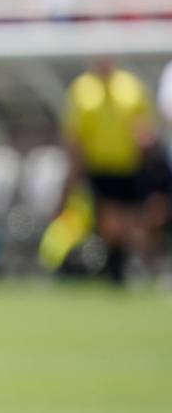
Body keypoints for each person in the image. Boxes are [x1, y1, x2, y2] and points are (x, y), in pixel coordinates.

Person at [61, 58, 156, 284]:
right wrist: (75, 167)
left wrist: (145, 146)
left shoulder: (130, 86)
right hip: (100, 165)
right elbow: (75, 133)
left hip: (129, 165)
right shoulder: (82, 88)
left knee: (130, 218)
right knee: (108, 219)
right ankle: (116, 264)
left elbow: (143, 125)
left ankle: (129, 262)